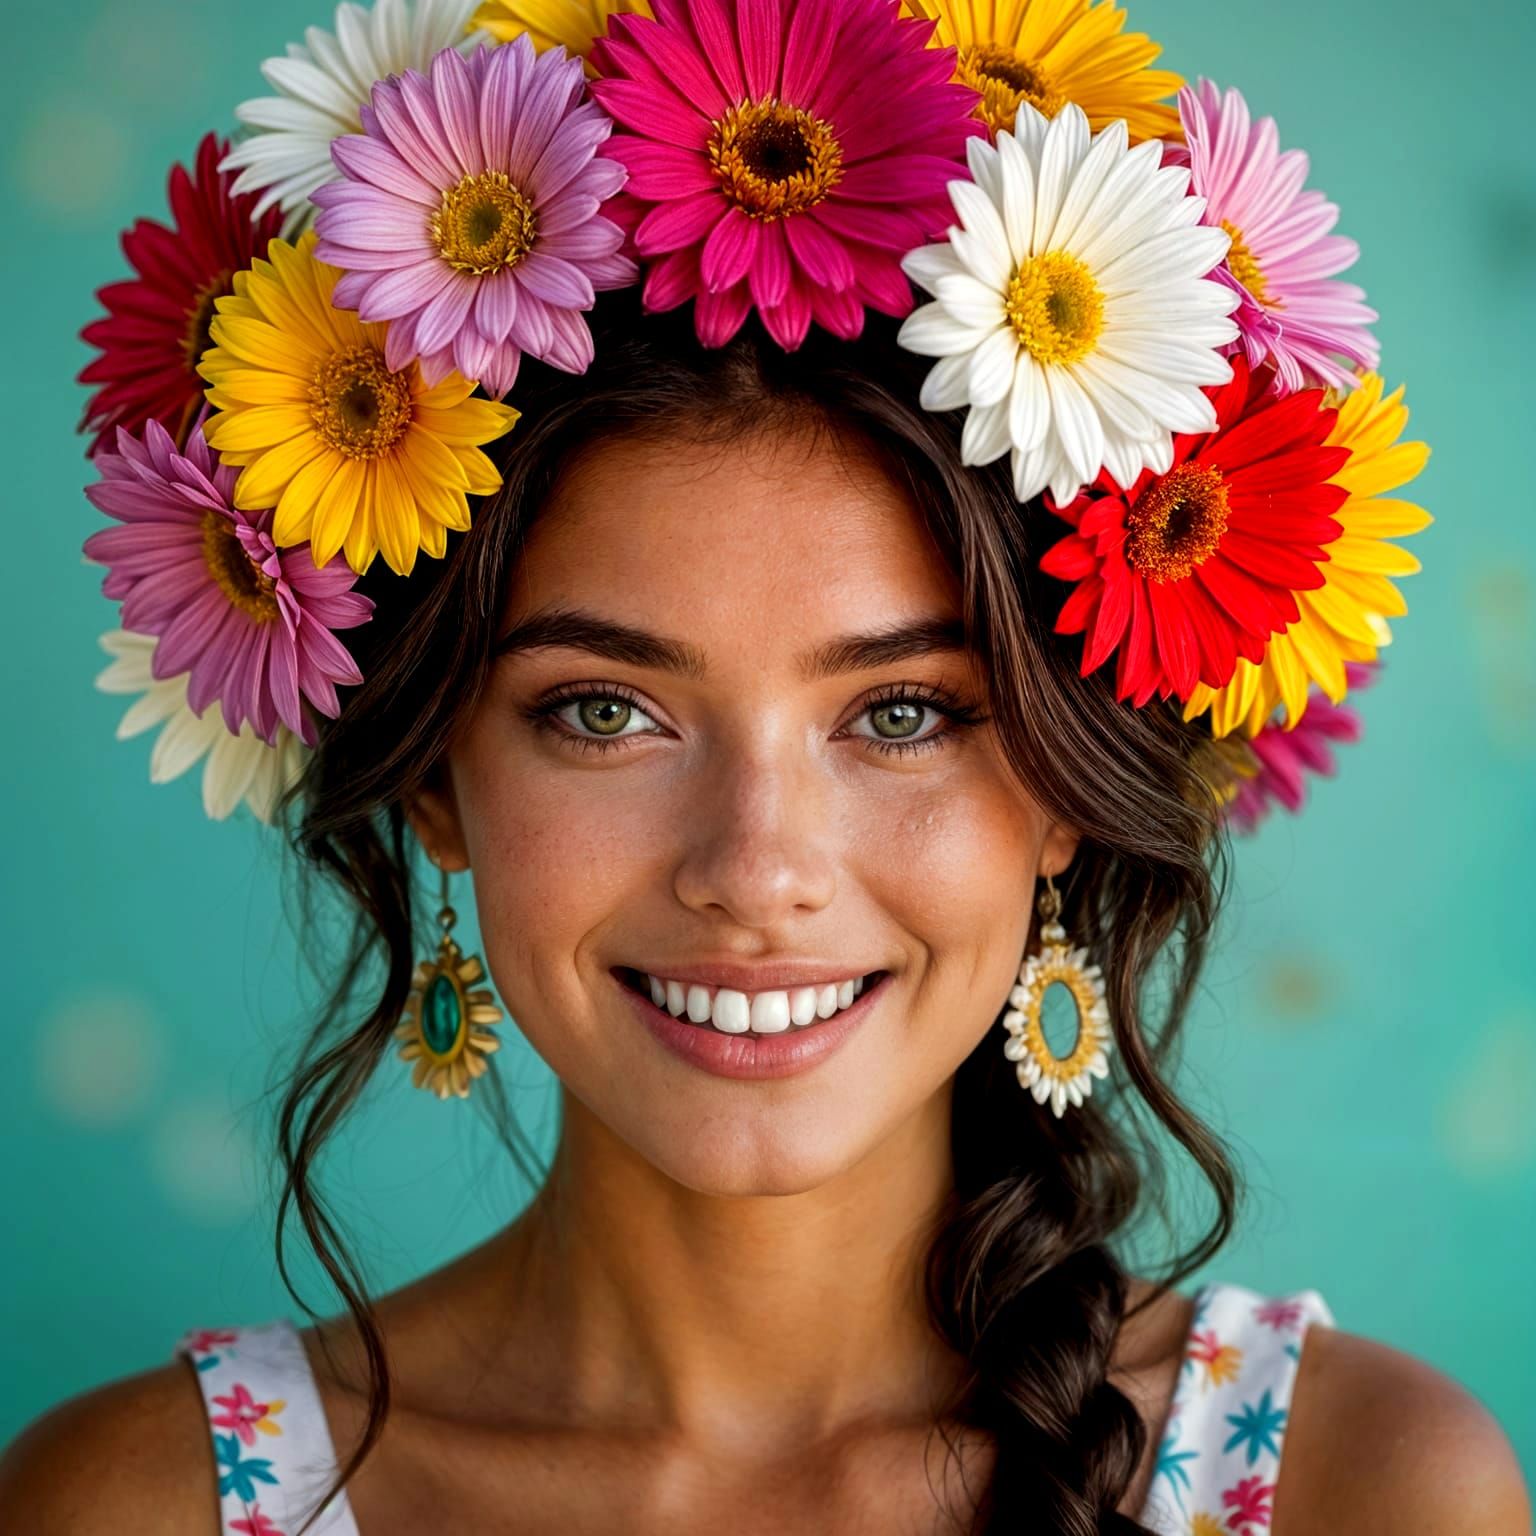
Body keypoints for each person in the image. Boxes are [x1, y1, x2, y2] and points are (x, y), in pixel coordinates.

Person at [3, 0, 1530, 1529]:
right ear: (430, 777)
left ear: (1069, 790)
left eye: (903, 713)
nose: (757, 870)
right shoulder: (141, 1503)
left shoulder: (1363, 1485)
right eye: (604, 711)